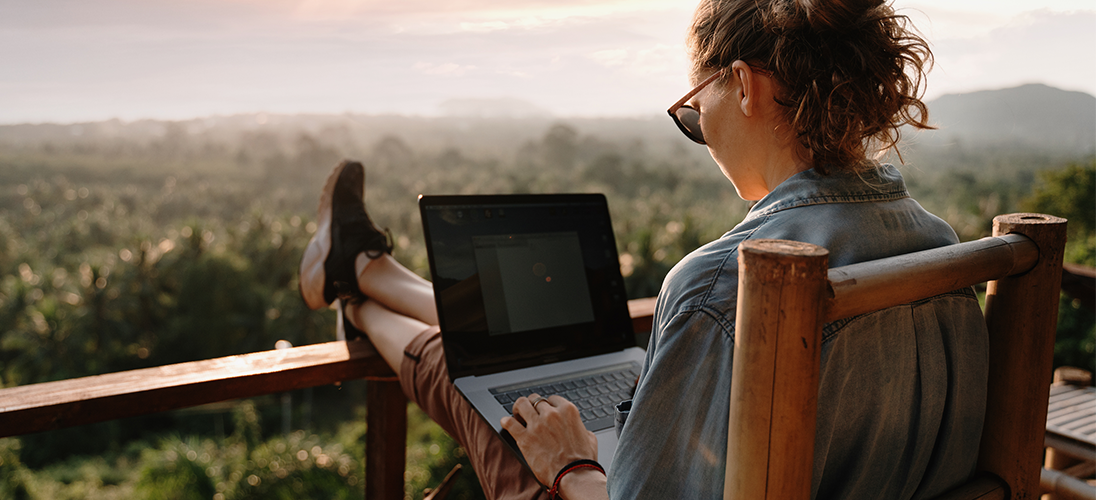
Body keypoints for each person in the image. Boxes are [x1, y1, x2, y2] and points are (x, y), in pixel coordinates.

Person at [298, 0, 989, 497]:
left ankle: (357, 292)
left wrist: (571, 465)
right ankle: (364, 273)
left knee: (487, 387)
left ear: (744, 85)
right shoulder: (942, 249)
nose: (700, 130)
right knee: (507, 364)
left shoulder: (726, 283)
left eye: (693, 110)